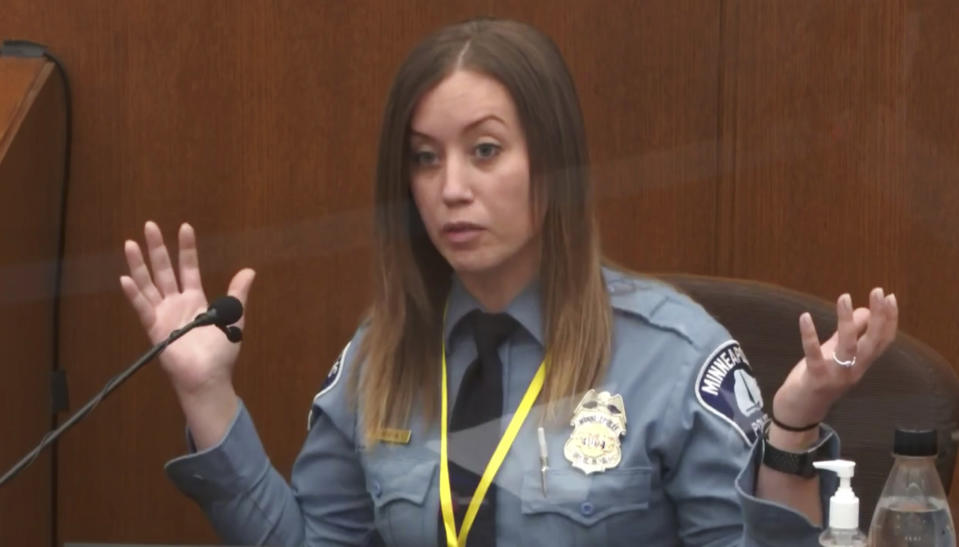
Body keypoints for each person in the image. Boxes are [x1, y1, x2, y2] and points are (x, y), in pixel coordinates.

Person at [119, 17, 899, 546]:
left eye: (484, 151)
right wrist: (207, 396)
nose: (449, 186)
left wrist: (792, 426)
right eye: (424, 157)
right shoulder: (379, 357)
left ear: (551, 165)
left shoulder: (675, 358)